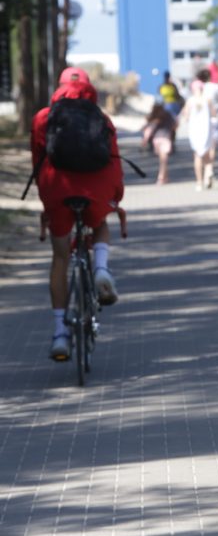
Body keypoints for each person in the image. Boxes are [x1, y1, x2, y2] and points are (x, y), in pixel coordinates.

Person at [30, 67, 124, 361]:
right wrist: (114, 198)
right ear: (89, 89)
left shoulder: (43, 118)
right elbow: (114, 162)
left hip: (59, 190)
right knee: (99, 224)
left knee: (60, 256)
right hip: (96, 190)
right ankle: (101, 269)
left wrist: (47, 202)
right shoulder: (102, 118)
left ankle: (60, 333)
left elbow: (37, 163)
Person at [178, 79, 218, 190]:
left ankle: (199, 182)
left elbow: (186, 116)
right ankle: (208, 173)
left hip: (195, 131)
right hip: (206, 129)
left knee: (197, 156)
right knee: (207, 154)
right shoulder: (207, 99)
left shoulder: (190, 101)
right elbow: (214, 114)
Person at [141, 100, 176, 185]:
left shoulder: (154, 116)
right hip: (165, 138)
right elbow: (175, 125)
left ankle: (165, 177)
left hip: (156, 140)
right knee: (164, 160)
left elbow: (148, 129)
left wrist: (145, 140)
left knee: (162, 159)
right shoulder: (167, 115)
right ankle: (161, 177)